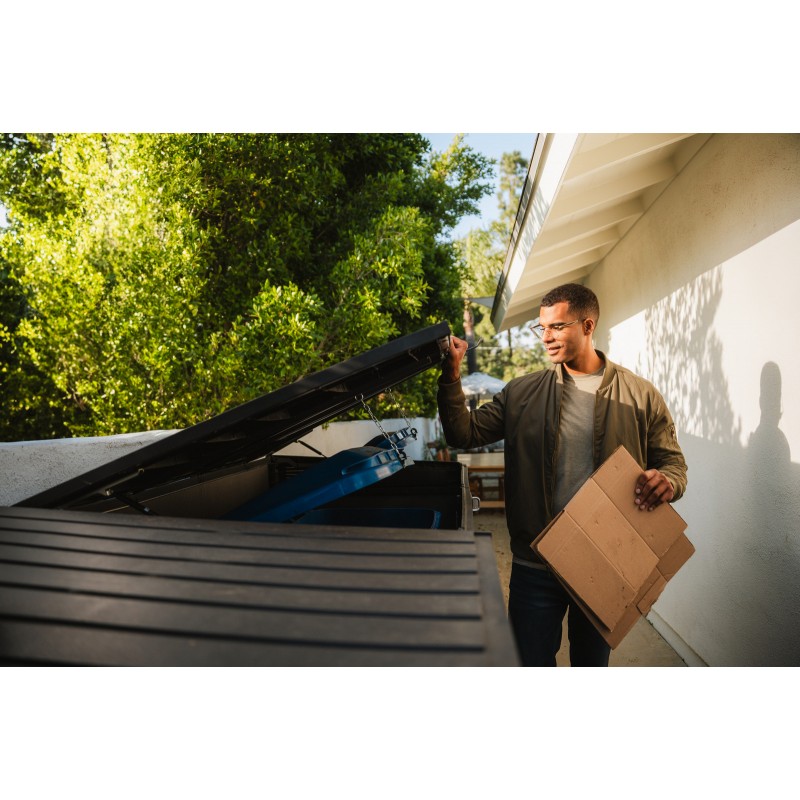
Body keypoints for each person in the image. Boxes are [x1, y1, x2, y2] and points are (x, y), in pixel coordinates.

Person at [437, 283, 687, 666]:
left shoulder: (640, 396)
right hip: (535, 565)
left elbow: (673, 465)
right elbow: (463, 433)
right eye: (542, 327)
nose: (545, 337)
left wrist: (666, 481)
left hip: (605, 562)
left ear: (587, 326)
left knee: (590, 666)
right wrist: (451, 376)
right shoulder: (520, 393)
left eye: (556, 326)